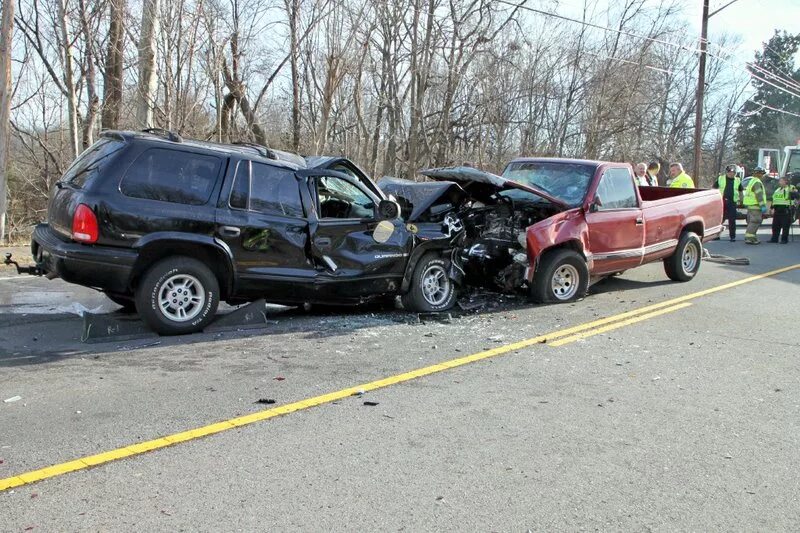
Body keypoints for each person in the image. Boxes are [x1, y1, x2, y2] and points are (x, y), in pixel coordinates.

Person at [712, 164, 743, 241]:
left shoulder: (737, 180)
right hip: (722, 202)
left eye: (733, 172)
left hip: (732, 202)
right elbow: (713, 189)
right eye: (730, 172)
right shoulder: (720, 179)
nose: (732, 174)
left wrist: (742, 201)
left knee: (732, 220)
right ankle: (716, 235)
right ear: (727, 172)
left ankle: (732, 237)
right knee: (720, 219)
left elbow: (740, 191)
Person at [742, 166, 768, 245]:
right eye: (762, 174)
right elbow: (759, 195)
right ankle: (750, 238)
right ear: (759, 174)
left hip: (751, 205)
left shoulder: (752, 181)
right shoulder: (757, 182)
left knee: (752, 221)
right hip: (755, 206)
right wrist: (762, 206)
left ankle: (751, 237)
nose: (763, 176)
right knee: (755, 221)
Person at [769, 176, 798, 244]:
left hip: (786, 210)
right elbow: (774, 199)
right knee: (775, 226)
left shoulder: (790, 188)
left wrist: (793, 193)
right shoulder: (777, 190)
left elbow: (797, 195)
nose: (779, 182)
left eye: (781, 181)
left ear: (786, 181)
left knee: (785, 226)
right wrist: (771, 208)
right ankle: (774, 239)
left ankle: (784, 240)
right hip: (777, 210)